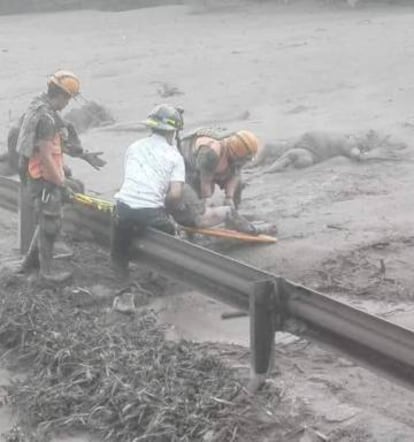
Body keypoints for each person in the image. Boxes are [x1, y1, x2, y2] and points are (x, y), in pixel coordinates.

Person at [17, 70, 100, 283]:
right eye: (68, 99)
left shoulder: (40, 107)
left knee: (47, 218)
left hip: (37, 174)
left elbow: (59, 143)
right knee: (50, 223)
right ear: (62, 96)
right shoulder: (46, 118)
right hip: (43, 176)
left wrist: (84, 155)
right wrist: (61, 183)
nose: (68, 104)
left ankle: (28, 262)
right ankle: (47, 272)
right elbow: (45, 156)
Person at [110, 104, 185, 279]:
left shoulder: (134, 147)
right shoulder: (175, 157)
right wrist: (167, 211)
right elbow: (175, 194)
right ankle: (157, 274)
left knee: (120, 235)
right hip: (151, 213)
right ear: (172, 132)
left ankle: (120, 270)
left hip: (123, 208)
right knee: (169, 233)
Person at [179, 128, 260, 209]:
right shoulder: (210, 153)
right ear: (235, 154)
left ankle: (235, 208)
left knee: (238, 184)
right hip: (191, 161)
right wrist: (208, 201)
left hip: (215, 162)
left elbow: (236, 173)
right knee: (196, 196)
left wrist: (229, 197)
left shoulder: (237, 153)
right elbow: (205, 182)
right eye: (243, 159)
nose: (245, 162)